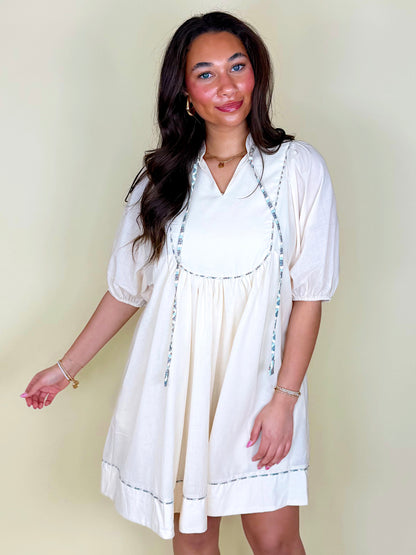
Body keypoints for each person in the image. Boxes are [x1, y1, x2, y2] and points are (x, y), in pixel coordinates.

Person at [20, 11, 339, 555]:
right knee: (193, 543)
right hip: (178, 391)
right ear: (185, 92)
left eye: (237, 66)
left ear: (257, 73)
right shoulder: (161, 180)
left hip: (262, 388)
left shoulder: (298, 168)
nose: (227, 86)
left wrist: (284, 400)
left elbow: (310, 294)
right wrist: (64, 368)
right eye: (206, 74)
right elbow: (127, 290)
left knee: (275, 540)